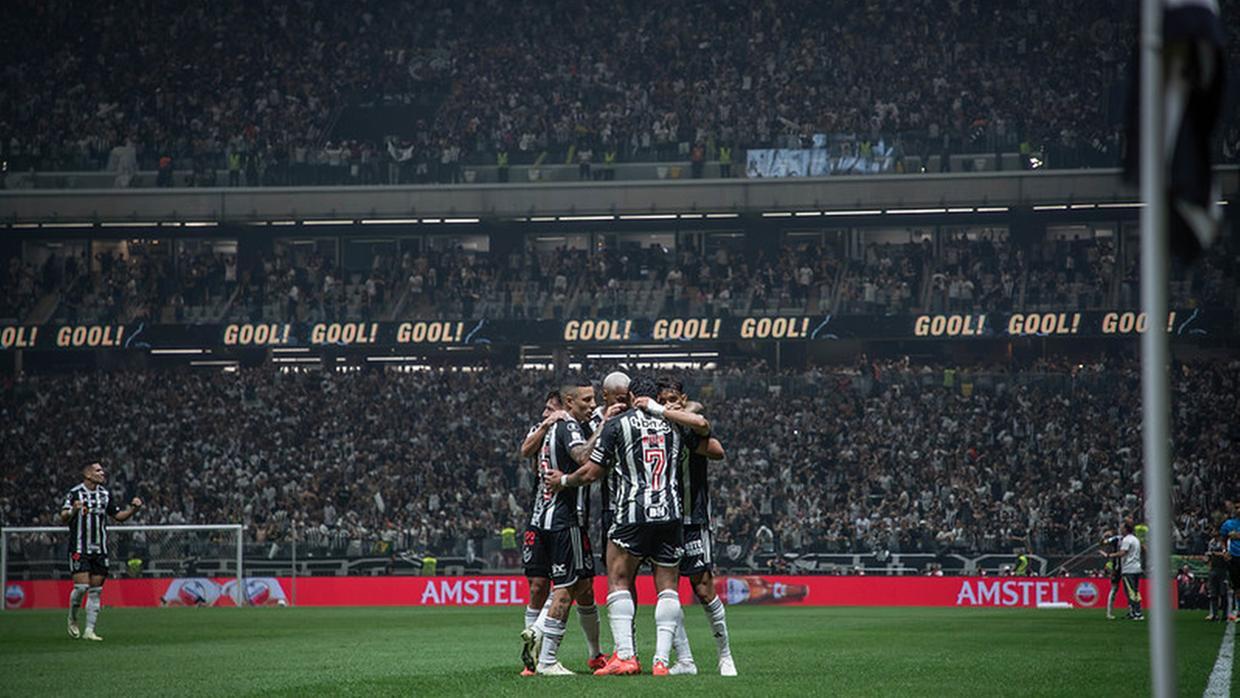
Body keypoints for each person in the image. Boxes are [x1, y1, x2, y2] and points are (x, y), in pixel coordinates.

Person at [546, 375, 714, 676]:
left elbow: (591, 472)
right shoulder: (675, 423)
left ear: (633, 395)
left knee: (619, 581)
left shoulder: (617, 425)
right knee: (668, 588)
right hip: (671, 514)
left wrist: (563, 480)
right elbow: (702, 426)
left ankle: (626, 656)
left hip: (631, 513)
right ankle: (662, 661)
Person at [524, 380, 606, 676]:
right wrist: (604, 426)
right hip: (565, 519)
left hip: (548, 519)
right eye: (586, 399)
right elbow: (583, 457)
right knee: (565, 588)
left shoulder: (550, 430)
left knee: (584, 587)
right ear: (568, 403)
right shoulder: (567, 426)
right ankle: (544, 657)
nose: (593, 404)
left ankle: (593, 654)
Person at [656, 378, 736, 676]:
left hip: (692, 518)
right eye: (662, 400)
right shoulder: (652, 428)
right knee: (668, 592)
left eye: (673, 398)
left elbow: (717, 449)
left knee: (703, 589)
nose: (667, 404)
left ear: (683, 398)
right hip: (662, 521)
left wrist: (686, 412)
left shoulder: (690, 426)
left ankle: (725, 655)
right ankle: (685, 660)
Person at [59, 462, 143, 641]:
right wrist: (73, 509)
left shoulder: (105, 495)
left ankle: (90, 630)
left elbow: (118, 516)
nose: (102, 473)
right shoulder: (75, 493)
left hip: (100, 549)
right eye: (98, 470)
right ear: (87, 474)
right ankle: (73, 618)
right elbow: (63, 516)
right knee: (81, 587)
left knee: (95, 590)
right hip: (79, 548)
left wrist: (133, 509)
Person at [517, 391, 565, 675]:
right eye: (545, 408)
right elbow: (525, 450)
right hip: (537, 516)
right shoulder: (540, 429)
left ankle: (543, 644)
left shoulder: (571, 430)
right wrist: (547, 424)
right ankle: (530, 655)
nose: (545, 412)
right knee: (537, 585)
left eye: (550, 408)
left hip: (563, 517)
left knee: (566, 586)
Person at [1100, 521, 1144, 620]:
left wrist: (1108, 555)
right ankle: (1133, 612)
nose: (1120, 529)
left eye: (1122, 527)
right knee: (1133, 591)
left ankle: (1136, 613)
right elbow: (1102, 543)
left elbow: (1122, 553)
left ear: (1125, 529)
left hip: (1127, 568)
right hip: (1131, 567)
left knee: (1130, 591)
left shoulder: (1125, 540)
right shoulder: (1133, 539)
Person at [1100, 529, 1124, 620]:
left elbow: (1102, 543)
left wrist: (1104, 535)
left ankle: (1109, 613)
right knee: (1115, 589)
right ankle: (1109, 613)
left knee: (1117, 589)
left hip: (1121, 567)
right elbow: (1102, 543)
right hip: (1120, 567)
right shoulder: (1118, 539)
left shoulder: (1117, 538)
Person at [1222, 500, 1240, 621]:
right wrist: (1224, 551)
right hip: (1234, 557)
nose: (1239, 510)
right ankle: (1239, 610)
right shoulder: (1228, 524)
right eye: (1237, 507)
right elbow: (1222, 539)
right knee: (1237, 586)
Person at [1204, 531, 1229, 621]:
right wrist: (1207, 559)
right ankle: (1214, 614)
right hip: (1213, 570)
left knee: (1223, 593)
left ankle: (1225, 614)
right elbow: (1208, 556)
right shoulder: (1211, 542)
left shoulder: (1223, 543)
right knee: (1213, 594)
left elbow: (1226, 555)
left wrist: (1215, 554)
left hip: (1222, 570)